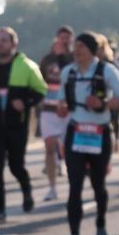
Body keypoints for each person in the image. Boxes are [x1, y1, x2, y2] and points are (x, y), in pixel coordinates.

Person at [58, 31, 119, 235]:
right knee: (75, 185)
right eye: (75, 46)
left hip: (99, 133)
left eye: (81, 46)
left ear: (92, 49)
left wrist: (103, 102)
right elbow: (62, 102)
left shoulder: (107, 70)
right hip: (76, 132)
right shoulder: (67, 72)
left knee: (98, 184)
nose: (76, 50)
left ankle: (100, 223)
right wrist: (61, 107)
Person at [0, 26, 47, 224]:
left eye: (4, 40)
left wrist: (25, 103)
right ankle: (0, 212)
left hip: (18, 126)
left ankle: (27, 190)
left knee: (16, 167)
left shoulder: (27, 66)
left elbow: (41, 91)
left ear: (14, 44)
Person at [39, 26, 74, 200]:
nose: (64, 41)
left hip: (69, 111)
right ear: (57, 38)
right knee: (49, 148)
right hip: (49, 110)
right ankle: (52, 188)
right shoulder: (47, 59)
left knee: (69, 148)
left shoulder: (74, 59)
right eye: (62, 37)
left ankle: (73, 185)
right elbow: (40, 81)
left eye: (67, 38)